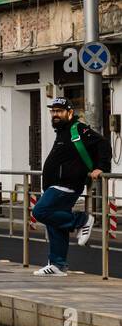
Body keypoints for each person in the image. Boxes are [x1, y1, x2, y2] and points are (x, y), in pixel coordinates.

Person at [31, 96, 109, 275]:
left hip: (66, 185)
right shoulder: (62, 132)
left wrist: (100, 167)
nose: (55, 115)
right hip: (55, 186)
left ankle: (81, 220)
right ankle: (57, 265)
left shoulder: (78, 129)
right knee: (55, 224)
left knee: (40, 212)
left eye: (59, 111)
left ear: (70, 113)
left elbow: (103, 143)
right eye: (53, 111)